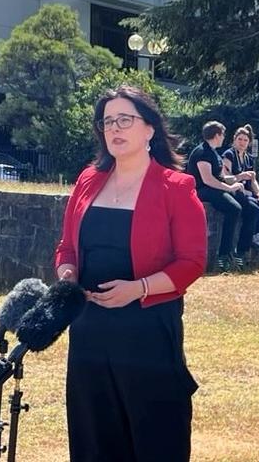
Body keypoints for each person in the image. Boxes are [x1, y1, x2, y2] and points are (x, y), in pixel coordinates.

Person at [54, 85, 207, 462]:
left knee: (154, 436)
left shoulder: (177, 187)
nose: (115, 128)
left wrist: (138, 288)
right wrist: (67, 273)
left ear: (149, 129)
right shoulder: (88, 180)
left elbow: (191, 262)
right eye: (108, 122)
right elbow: (66, 247)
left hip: (147, 330)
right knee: (93, 436)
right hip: (90, 329)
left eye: (125, 119)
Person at [186, 121, 259, 271]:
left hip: (217, 188)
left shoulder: (214, 153)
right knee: (234, 208)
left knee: (253, 209)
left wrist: (238, 179)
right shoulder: (203, 152)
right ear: (217, 135)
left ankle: (241, 252)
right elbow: (208, 180)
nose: (223, 137)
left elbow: (222, 177)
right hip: (203, 190)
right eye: (223, 134)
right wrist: (229, 188)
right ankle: (223, 255)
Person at [222, 124, 259, 252]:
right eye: (240, 139)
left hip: (247, 192)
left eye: (245, 140)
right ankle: (242, 247)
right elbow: (225, 177)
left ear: (249, 142)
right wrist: (240, 176)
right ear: (234, 139)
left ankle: (258, 237)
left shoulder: (248, 158)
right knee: (254, 208)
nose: (242, 143)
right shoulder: (229, 155)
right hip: (234, 190)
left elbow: (252, 179)